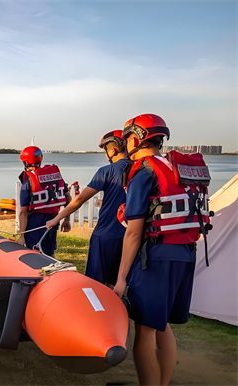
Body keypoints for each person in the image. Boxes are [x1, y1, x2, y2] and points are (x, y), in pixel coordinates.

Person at [113, 114, 211, 386]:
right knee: (162, 324)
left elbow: (133, 232)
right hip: (187, 254)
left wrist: (120, 280)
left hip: (156, 258)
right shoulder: (181, 169)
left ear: (135, 138)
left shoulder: (144, 171)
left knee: (144, 332)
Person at [46, 131, 131, 286]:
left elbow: (79, 199)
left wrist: (56, 219)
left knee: (96, 283)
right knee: (115, 282)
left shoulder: (107, 171)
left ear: (112, 150)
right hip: (130, 236)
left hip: (105, 235)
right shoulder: (140, 169)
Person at [16, 146, 71, 255]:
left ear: (26, 162)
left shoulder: (28, 180)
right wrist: (67, 219)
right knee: (49, 252)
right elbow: (68, 199)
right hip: (53, 221)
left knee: (34, 253)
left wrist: (21, 236)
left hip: (35, 223)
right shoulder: (54, 176)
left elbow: (23, 211)